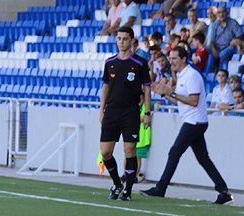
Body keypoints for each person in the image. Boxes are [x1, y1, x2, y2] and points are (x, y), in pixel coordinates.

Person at [142, 47, 233, 205]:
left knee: (174, 152)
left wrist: (171, 91)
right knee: (203, 159)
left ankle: (161, 188)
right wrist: (164, 93)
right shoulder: (182, 75)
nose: (171, 61)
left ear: (184, 59)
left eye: (174, 58)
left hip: (194, 121)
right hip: (194, 121)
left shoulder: (192, 75)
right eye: (170, 58)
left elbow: (193, 101)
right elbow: (179, 100)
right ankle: (223, 191)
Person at [98, 27, 152, 202]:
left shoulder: (140, 63)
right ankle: (117, 183)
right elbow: (105, 87)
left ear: (132, 41)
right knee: (105, 152)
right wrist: (102, 110)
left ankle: (128, 190)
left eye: (125, 39)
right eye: (119, 38)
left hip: (130, 112)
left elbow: (147, 88)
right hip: (111, 112)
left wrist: (148, 112)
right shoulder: (109, 62)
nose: (121, 41)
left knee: (130, 150)